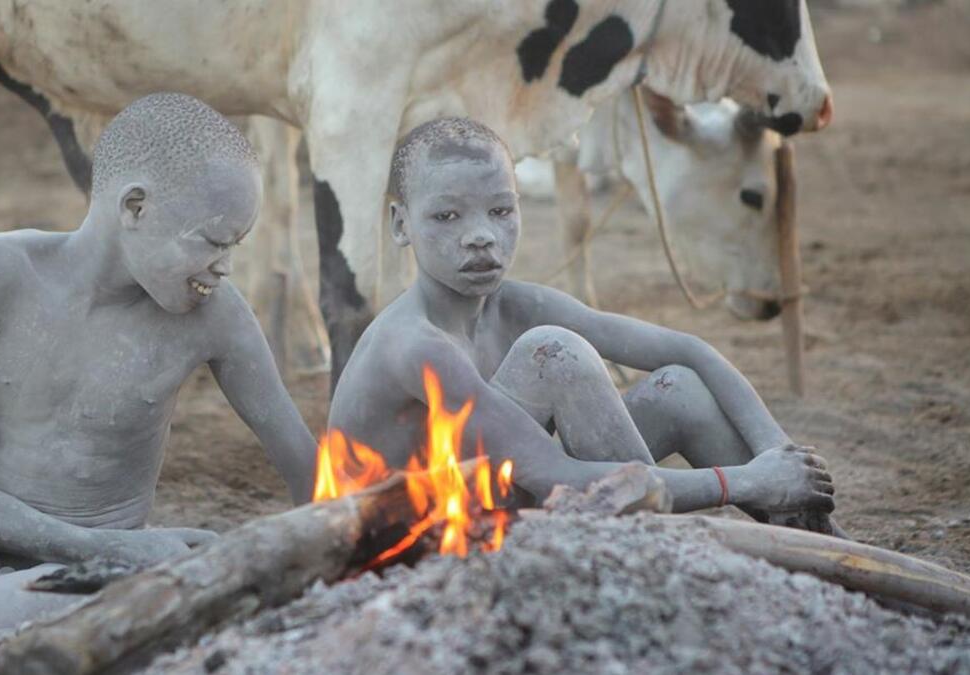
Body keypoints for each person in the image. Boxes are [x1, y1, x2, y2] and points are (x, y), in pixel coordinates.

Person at [0, 93, 317, 639]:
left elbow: (307, 465)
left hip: (96, 576)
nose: (228, 266)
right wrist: (99, 544)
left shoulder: (215, 317)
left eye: (237, 244)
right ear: (135, 207)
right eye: (215, 241)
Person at [328, 117, 838, 528]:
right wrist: (743, 481)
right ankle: (654, 544)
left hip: (498, 501)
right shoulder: (415, 343)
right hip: (419, 541)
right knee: (553, 353)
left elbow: (690, 350)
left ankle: (826, 544)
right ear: (401, 224)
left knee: (680, 389)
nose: (480, 236)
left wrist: (778, 452)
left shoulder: (517, 305)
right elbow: (555, 476)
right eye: (447, 217)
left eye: (500, 211)